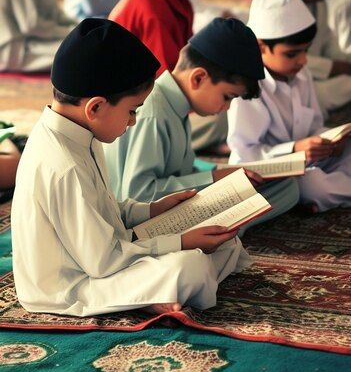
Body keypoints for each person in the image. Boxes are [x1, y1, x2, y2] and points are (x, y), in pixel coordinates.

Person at [11, 18, 252, 318]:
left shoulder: (81, 133)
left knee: (225, 243)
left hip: (99, 260)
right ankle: (150, 296)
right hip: (72, 284)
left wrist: (152, 210)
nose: (133, 121)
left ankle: (154, 295)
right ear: (95, 107)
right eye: (132, 110)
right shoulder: (63, 164)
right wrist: (179, 242)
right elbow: (103, 261)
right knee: (190, 266)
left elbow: (105, 210)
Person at [104, 17, 299, 232]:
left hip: (174, 202)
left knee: (286, 185)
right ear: (198, 78)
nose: (227, 107)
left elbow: (180, 168)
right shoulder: (154, 111)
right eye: (228, 96)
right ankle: (228, 224)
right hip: (140, 217)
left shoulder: (175, 105)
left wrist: (218, 170)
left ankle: (229, 223)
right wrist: (213, 178)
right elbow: (138, 194)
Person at [109, 0, 236, 152]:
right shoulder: (152, 10)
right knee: (225, 114)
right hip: (129, 120)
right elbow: (164, 94)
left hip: (154, 109)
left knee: (229, 101)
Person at [227, 0, 351, 213]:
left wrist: (330, 140)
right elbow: (244, 155)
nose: (303, 60)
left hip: (309, 162)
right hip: (273, 173)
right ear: (261, 46)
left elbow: (314, 125)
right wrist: (294, 149)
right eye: (292, 54)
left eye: (305, 51)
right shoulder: (247, 88)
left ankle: (326, 198)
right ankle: (323, 197)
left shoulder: (303, 75)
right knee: (310, 185)